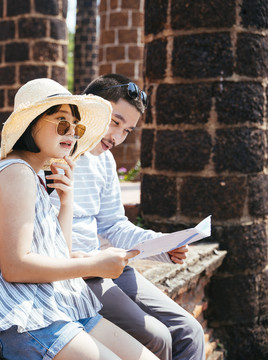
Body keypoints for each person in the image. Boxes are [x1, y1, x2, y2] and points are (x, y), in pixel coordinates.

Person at [0, 78, 158, 360]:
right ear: (31, 123)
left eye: (76, 126)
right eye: (61, 122)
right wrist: (94, 265)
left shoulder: (32, 173)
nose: (72, 133)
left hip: (52, 305)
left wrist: (66, 201)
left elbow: (59, 255)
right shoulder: (16, 173)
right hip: (25, 319)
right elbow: (14, 267)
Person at [48, 74, 205, 360]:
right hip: (77, 272)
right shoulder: (51, 154)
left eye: (128, 130)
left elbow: (113, 224)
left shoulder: (105, 161)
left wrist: (163, 245)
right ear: (91, 110)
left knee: (189, 331)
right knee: (158, 338)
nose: (117, 137)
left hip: (110, 264)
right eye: (115, 122)